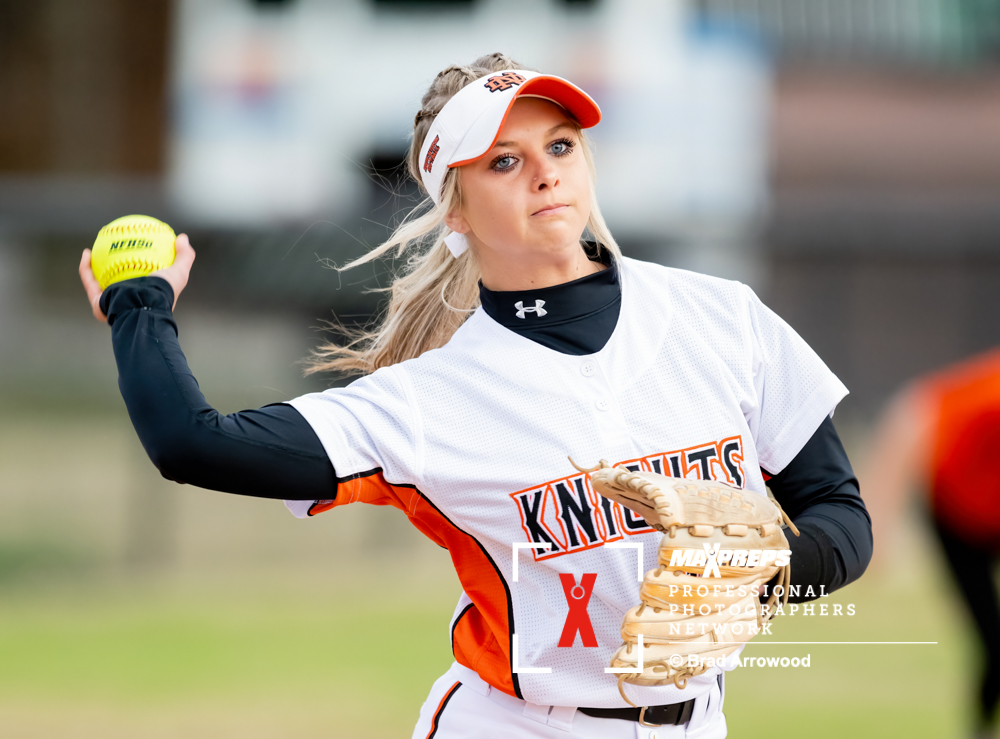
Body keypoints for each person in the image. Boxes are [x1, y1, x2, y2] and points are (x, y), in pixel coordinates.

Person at [79, 53, 871, 738]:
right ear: (453, 209)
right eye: (503, 160)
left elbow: (839, 511)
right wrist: (139, 306)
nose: (545, 170)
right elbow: (192, 442)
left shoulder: (721, 318)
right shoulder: (430, 402)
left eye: (560, 144)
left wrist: (762, 571)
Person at [864, 349, 1000, 739]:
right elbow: (913, 411)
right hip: (957, 513)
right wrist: (877, 523)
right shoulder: (993, 393)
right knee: (993, 641)